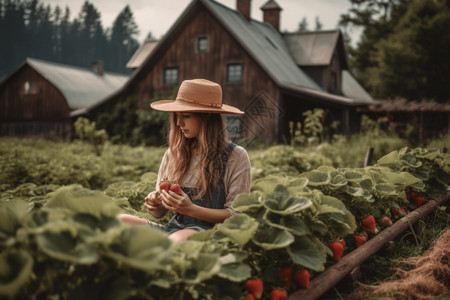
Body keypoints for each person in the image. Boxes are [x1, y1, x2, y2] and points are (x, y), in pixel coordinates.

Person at [118, 79, 252, 243]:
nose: (179, 123)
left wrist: (191, 209)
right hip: (174, 231)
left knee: (175, 241)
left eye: (186, 116)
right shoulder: (173, 154)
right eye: (177, 117)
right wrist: (155, 204)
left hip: (211, 235)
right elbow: (161, 213)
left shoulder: (236, 157)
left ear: (207, 117)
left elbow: (237, 215)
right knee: (118, 222)